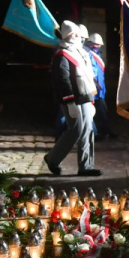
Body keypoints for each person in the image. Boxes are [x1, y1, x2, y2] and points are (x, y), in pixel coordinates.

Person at [43, 20, 102, 176]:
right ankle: (52, 159)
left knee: (88, 130)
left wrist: (91, 99)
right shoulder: (61, 55)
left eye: (77, 33)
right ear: (66, 36)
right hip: (72, 99)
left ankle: (86, 167)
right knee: (75, 130)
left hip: (85, 96)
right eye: (73, 34)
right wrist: (69, 102)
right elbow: (63, 80)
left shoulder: (81, 52)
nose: (77, 36)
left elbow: (89, 77)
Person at [85, 32, 118, 140]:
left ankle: (106, 130)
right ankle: (95, 133)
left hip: (99, 89)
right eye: (96, 44)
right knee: (90, 112)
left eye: (99, 45)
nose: (98, 46)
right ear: (90, 43)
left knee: (103, 111)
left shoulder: (97, 55)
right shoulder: (87, 54)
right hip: (91, 88)